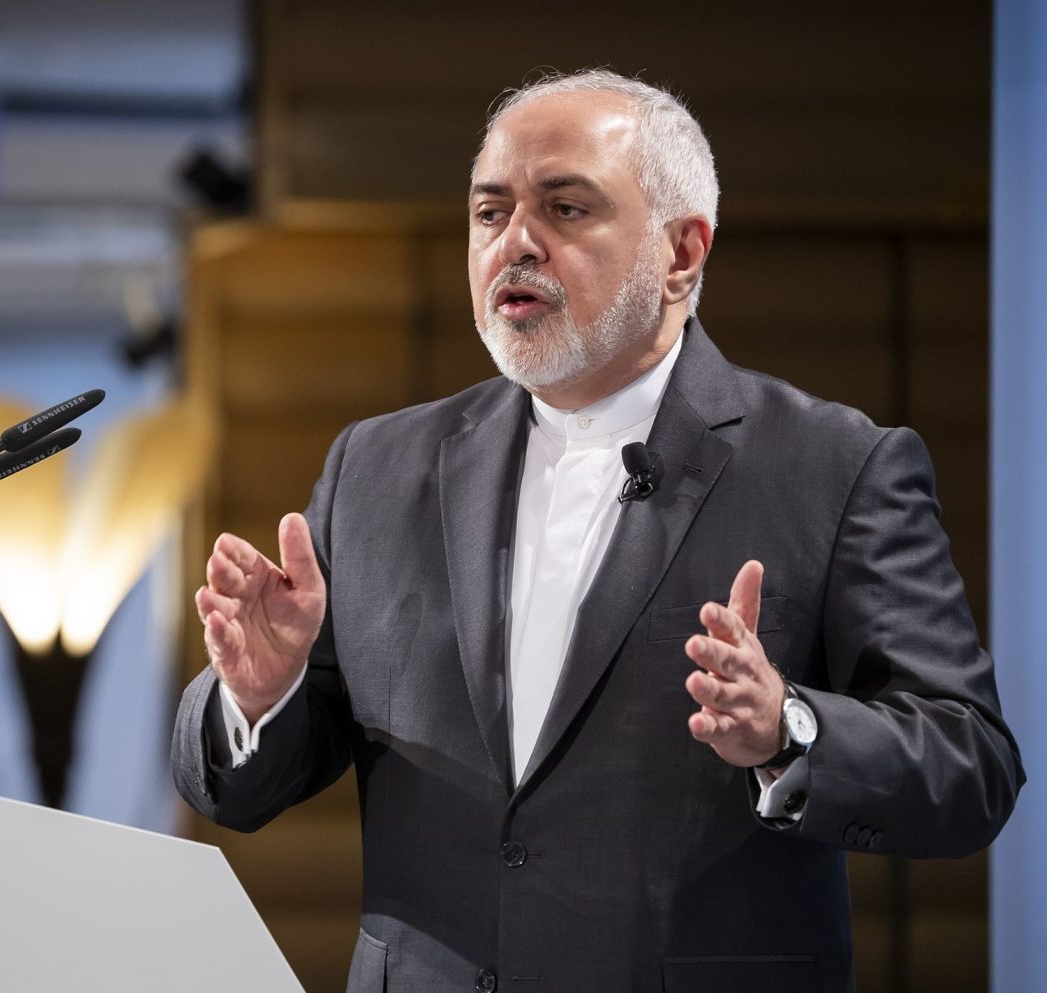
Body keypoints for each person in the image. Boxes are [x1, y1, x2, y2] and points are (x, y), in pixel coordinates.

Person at [170, 69, 1023, 993]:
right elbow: (248, 787)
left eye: (565, 208)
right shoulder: (375, 467)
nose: (515, 242)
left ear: (681, 254)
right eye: (490, 212)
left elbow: (969, 764)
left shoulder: (834, 466)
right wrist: (259, 697)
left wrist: (789, 727)